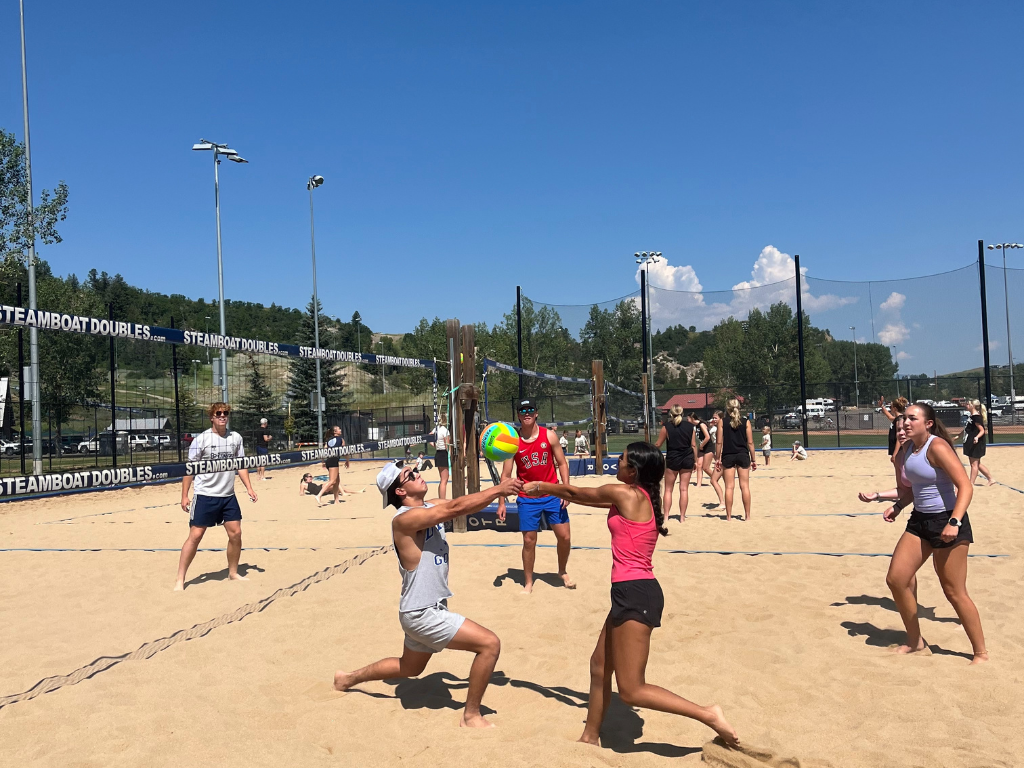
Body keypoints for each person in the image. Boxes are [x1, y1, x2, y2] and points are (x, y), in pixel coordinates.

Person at [521, 442, 739, 748]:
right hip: (632, 591)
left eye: (621, 459)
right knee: (599, 666)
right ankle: (589, 736)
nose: (616, 462)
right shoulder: (638, 495)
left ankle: (709, 714)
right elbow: (588, 500)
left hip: (636, 593)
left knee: (631, 690)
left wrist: (540, 486)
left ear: (633, 471)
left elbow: (574, 494)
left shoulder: (624, 493)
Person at [333, 462, 524, 726]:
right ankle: (471, 715)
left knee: (410, 668)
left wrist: (500, 494)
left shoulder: (428, 506)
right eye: (409, 475)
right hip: (422, 613)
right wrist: (498, 488)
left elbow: (464, 504)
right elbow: (455, 508)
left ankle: (348, 678)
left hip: (419, 609)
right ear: (400, 491)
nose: (417, 474)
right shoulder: (404, 520)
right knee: (490, 644)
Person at [881, 403, 987, 664]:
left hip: (947, 520)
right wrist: (897, 506)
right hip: (919, 521)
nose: (905, 422)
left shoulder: (937, 446)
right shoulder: (907, 448)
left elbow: (965, 486)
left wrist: (954, 521)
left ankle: (980, 653)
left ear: (927, 424)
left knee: (953, 591)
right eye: (904, 418)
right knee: (896, 579)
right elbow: (915, 489)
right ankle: (916, 641)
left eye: (912, 419)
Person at [175, 402, 258, 591]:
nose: (222, 416)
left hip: (228, 495)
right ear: (212, 417)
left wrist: (249, 488)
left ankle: (233, 573)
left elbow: (241, 465)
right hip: (205, 495)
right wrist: (184, 495)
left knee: (236, 533)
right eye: (218, 413)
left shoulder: (235, 438)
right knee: (196, 535)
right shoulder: (202, 439)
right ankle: (180, 579)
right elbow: (189, 469)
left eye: (225, 413)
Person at [497, 398, 576, 593]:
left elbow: (562, 463)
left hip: (551, 493)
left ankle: (562, 571)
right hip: (528, 498)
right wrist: (501, 503)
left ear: (537, 413)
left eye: (530, 409)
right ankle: (529, 581)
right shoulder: (513, 443)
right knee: (529, 540)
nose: (527, 413)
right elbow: (505, 476)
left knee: (564, 537)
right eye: (523, 410)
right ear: (518, 415)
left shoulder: (548, 436)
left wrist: (566, 489)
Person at [654, 404, 697, 521]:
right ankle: (682, 517)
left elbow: (658, 444)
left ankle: (666, 516)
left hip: (673, 458)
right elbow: (693, 445)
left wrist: (649, 449)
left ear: (670, 414)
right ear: (682, 413)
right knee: (684, 489)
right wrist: (696, 461)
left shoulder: (666, 427)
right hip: (687, 458)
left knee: (668, 489)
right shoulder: (690, 426)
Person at [716, 399, 756, 521]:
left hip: (728, 455)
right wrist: (753, 459)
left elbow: (719, 442)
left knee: (729, 487)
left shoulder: (722, 422)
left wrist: (717, 458)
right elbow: (750, 442)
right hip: (743, 454)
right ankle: (747, 516)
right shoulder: (746, 422)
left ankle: (728, 516)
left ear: (727, 409)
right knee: (744, 486)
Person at [858, 415, 909, 503]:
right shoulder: (899, 458)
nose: (901, 433)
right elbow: (903, 491)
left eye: (905, 429)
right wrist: (876, 495)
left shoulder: (930, 451)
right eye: (898, 430)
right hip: (920, 511)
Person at [955, 399, 994, 486]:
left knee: (974, 464)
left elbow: (982, 430)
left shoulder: (977, 417)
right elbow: (967, 428)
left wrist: (976, 437)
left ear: (972, 406)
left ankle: (971, 483)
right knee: (976, 463)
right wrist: (958, 436)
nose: (966, 406)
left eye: (968, 404)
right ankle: (991, 479)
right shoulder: (972, 416)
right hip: (970, 441)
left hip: (976, 443)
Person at [317, 426, 345, 506]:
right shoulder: (341, 439)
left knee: (337, 481)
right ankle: (319, 495)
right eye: (339, 429)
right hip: (333, 460)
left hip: (328, 461)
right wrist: (347, 461)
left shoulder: (329, 440)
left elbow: (323, 451)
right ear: (335, 432)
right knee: (332, 481)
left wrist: (323, 462)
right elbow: (345, 451)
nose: (340, 430)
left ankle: (336, 500)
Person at [688, 413, 713, 488]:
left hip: (708, 446)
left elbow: (707, 437)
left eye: (688, 419)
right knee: (699, 465)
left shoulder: (701, 424)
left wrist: (701, 445)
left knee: (706, 468)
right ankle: (699, 484)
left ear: (692, 418)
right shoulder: (695, 427)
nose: (687, 420)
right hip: (702, 447)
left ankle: (715, 477)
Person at [429, 415, 451, 500]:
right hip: (444, 454)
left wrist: (435, 445)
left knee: (442, 479)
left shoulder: (436, 429)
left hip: (438, 453)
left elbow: (430, 437)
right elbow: (447, 446)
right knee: (444, 480)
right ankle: (442, 500)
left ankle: (441, 498)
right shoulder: (445, 431)